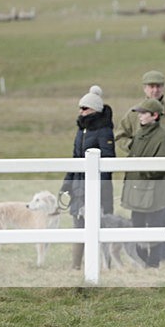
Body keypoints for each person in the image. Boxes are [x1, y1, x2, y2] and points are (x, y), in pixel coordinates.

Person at [116, 70, 165, 263]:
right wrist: (135, 148)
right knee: (138, 215)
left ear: (163, 88)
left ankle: (163, 255)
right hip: (139, 175)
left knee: (162, 214)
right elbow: (120, 136)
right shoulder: (133, 115)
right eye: (151, 86)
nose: (154, 89)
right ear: (144, 88)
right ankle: (140, 254)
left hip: (162, 176)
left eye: (158, 86)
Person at [60, 85, 116, 270]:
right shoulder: (81, 130)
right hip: (78, 186)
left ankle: (105, 266)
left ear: (95, 110)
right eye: (80, 108)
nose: (81, 112)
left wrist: (98, 189)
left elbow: (108, 162)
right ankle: (75, 266)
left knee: (100, 226)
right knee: (78, 226)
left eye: (85, 108)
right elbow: (75, 159)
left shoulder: (104, 131)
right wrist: (67, 184)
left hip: (96, 188)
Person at [120, 98, 165, 268]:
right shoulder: (140, 134)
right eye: (140, 113)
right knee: (137, 224)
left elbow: (164, 165)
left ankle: (153, 263)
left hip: (153, 193)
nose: (140, 117)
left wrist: (143, 172)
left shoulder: (162, 137)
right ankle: (141, 259)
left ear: (155, 115)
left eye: (143, 113)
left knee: (154, 227)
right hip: (138, 190)